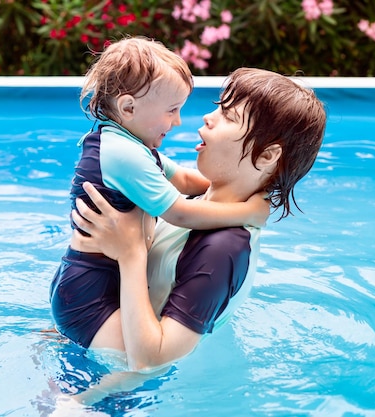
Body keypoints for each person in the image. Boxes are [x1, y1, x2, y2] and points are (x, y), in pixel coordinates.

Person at [69, 67, 327, 372]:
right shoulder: (194, 205)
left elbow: (150, 363)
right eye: (219, 108)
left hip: (125, 392)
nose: (208, 117)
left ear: (268, 156)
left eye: (229, 117)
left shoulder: (222, 249)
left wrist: (131, 253)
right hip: (94, 347)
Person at [49, 38, 269, 350]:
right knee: (127, 370)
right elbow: (179, 212)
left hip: (89, 280)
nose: (178, 121)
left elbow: (181, 179)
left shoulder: (126, 144)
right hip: (89, 293)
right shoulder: (123, 155)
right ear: (128, 107)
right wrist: (247, 212)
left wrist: (233, 187)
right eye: (171, 110)